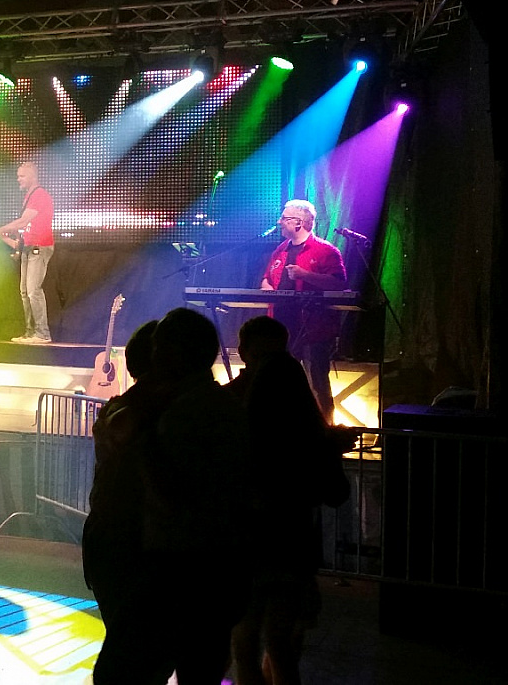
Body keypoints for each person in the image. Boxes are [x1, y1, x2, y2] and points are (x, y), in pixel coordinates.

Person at [92, 308, 251, 684]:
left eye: (160, 348)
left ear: (175, 353)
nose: (154, 357)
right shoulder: (219, 405)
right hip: (214, 569)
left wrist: (142, 443)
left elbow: (175, 493)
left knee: (121, 673)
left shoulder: (183, 411)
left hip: (180, 569)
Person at [224, 315, 329, 685]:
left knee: (245, 640)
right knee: (283, 643)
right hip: (293, 536)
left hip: (252, 537)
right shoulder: (295, 388)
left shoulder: (240, 397)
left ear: (245, 350)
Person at [81, 319, 157, 661]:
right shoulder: (137, 414)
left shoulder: (118, 410)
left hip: (107, 540)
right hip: (130, 542)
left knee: (124, 642)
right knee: (134, 649)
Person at [259, 199, 349, 421]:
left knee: (316, 384)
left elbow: (339, 284)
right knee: (282, 384)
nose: (279, 222)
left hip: (312, 330)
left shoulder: (326, 251)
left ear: (298, 223)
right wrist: (267, 288)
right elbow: (267, 279)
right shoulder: (280, 250)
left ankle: (325, 430)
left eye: (284, 218)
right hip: (281, 329)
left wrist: (305, 275)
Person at [0, 161, 54, 343]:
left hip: (39, 247)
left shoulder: (39, 195)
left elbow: (22, 222)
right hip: (28, 247)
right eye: (18, 176)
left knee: (33, 291)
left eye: (22, 176)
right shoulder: (28, 197)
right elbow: (19, 240)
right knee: (24, 292)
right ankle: (30, 332)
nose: (18, 179)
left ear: (33, 176)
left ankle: (42, 333)